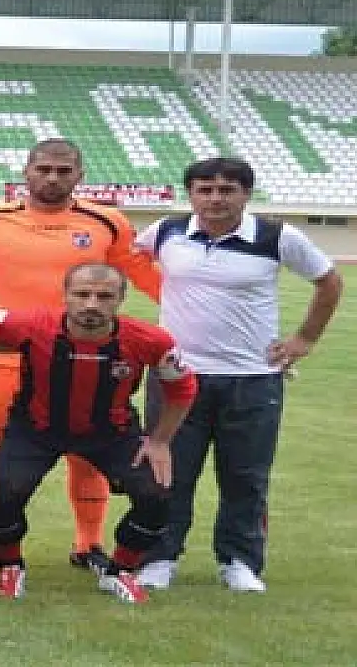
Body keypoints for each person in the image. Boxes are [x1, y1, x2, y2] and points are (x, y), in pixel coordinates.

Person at [0, 138, 162, 573]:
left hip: (87, 358)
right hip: (9, 357)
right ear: (26, 171)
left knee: (88, 453)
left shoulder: (107, 222)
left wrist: (194, 320)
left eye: (64, 171)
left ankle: (88, 544)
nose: (52, 178)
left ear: (80, 175)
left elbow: (142, 276)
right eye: (43, 169)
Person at [133, 157, 343, 593]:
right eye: (205, 190)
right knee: (168, 471)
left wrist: (304, 339)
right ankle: (160, 558)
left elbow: (329, 281)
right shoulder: (165, 231)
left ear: (246, 194)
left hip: (252, 378)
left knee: (245, 476)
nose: (215, 199)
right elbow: (124, 264)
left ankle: (239, 561)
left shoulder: (276, 236)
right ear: (190, 194)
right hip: (177, 378)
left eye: (227, 190)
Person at [0, 263, 197, 604]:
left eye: (104, 296)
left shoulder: (149, 340)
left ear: (121, 299)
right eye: (82, 294)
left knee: (156, 494)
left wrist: (159, 441)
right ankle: (10, 565)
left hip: (111, 432)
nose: (92, 304)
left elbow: (183, 388)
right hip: (35, 429)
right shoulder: (31, 326)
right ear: (65, 296)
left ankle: (120, 570)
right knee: (6, 490)